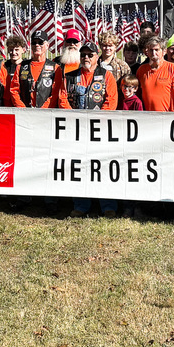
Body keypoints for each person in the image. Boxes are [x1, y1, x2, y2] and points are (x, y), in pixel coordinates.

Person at [57, 41, 119, 217]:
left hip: (99, 130)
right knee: (78, 167)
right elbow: (62, 99)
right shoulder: (69, 76)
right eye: (83, 54)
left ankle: (108, 206)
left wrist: (96, 120)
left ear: (97, 57)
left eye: (90, 55)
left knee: (102, 167)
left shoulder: (106, 76)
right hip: (76, 130)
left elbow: (111, 101)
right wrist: (75, 118)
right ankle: (81, 205)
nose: (86, 57)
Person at [9, 30, 58, 108]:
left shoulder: (55, 68)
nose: (37, 45)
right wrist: (22, 108)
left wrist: (44, 109)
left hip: (47, 112)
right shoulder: (21, 66)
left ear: (47, 45)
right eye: (34, 43)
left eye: (40, 42)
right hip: (24, 112)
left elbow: (56, 93)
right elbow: (14, 90)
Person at [136, 36, 174, 112]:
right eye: (151, 50)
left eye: (156, 50)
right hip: (146, 116)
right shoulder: (142, 70)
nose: (153, 53)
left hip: (166, 116)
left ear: (164, 51)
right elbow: (137, 95)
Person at [2, 35, 27, 106]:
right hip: (7, 104)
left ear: (23, 50)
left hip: (23, 104)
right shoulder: (4, 67)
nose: (13, 52)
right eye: (11, 49)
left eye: (16, 50)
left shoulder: (27, 66)